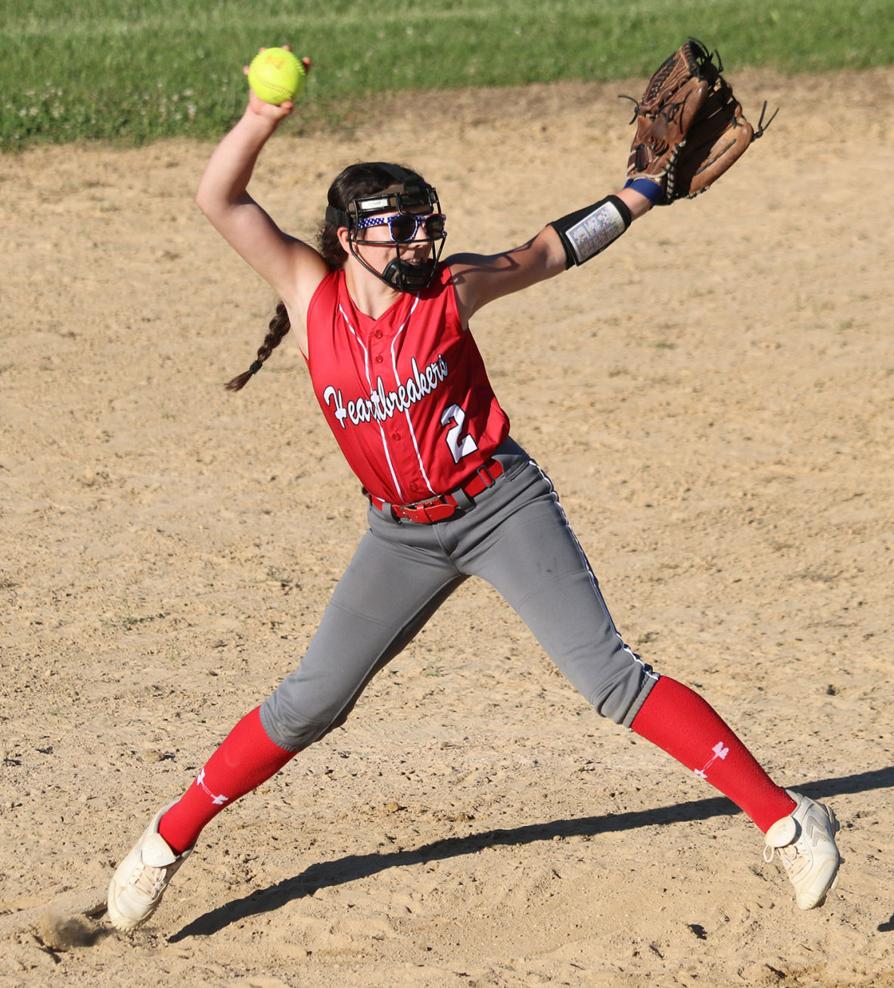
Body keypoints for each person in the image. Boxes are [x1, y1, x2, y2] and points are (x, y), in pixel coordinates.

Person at [106, 53, 840, 933]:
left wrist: (641, 192)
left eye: (425, 223)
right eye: (399, 229)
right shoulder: (310, 296)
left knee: (608, 677)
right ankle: (162, 845)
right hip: (401, 537)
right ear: (350, 239)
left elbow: (549, 249)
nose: (420, 241)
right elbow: (219, 199)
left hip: (502, 508)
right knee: (309, 703)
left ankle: (789, 822)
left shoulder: (452, 288)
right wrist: (263, 115)